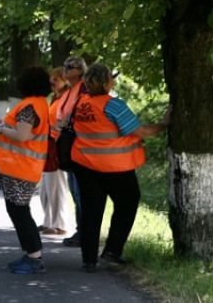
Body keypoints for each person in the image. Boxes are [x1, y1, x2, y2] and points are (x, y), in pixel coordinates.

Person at [70, 62, 169, 273]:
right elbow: (141, 131)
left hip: (85, 165)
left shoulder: (81, 103)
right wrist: (164, 123)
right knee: (127, 203)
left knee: (91, 212)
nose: (113, 80)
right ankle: (112, 253)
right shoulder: (113, 105)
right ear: (106, 82)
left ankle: (89, 261)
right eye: (111, 78)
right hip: (115, 167)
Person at [0, 66, 53, 274]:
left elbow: (22, 136)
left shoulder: (30, 107)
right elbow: (24, 130)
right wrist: (5, 124)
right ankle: (31, 254)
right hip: (23, 167)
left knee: (20, 211)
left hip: (20, 167)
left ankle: (34, 257)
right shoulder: (40, 104)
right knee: (18, 210)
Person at [55, 55, 88, 247]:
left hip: (80, 147)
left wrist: (65, 123)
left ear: (81, 69)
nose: (66, 69)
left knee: (80, 193)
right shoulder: (70, 90)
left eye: (71, 66)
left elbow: (80, 115)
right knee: (75, 193)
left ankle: (84, 232)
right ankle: (81, 230)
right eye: (66, 65)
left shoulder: (84, 88)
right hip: (69, 146)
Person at [37, 67, 75, 237]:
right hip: (48, 144)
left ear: (66, 80)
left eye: (56, 79)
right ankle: (48, 221)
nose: (52, 82)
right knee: (45, 187)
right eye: (51, 79)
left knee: (56, 185)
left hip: (58, 146)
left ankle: (59, 224)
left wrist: (50, 127)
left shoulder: (66, 98)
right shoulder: (55, 98)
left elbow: (64, 123)